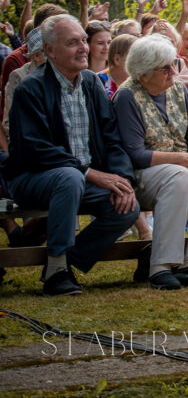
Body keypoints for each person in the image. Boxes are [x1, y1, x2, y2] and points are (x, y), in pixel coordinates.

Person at [4, 15, 140, 295]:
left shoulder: (91, 83)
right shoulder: (31, 88)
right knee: (69, 177)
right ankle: (56, 272)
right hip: (33, 178)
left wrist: (122, 179)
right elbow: (35, 149)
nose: (83, 48)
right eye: (72, 43)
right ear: (50, 50)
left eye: (83, 41)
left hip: (81, 181)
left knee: (127, 207)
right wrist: (90, 173)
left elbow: (112, 138)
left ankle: (67, 262)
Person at [112, 35, 188, 289]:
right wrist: (183, 161)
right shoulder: (127, 96)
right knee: (178, 176)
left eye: (173, 64)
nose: (173, 71)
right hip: (142, 176)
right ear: (143, 74)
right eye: (165, 68)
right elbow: (135, 154)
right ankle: (161, 267)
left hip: (181, 172)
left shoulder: (178, 90)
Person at [3, 28, 45, 138]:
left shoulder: (62, 72)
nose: (55, 56)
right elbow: (10, 123)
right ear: (36, 56)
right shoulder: (19, 77)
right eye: (48, 51)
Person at [98, 34, 136, 98]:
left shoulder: (140, 82)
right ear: (117, 59)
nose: (140, 61)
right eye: (134, 57)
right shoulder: (97, 82)